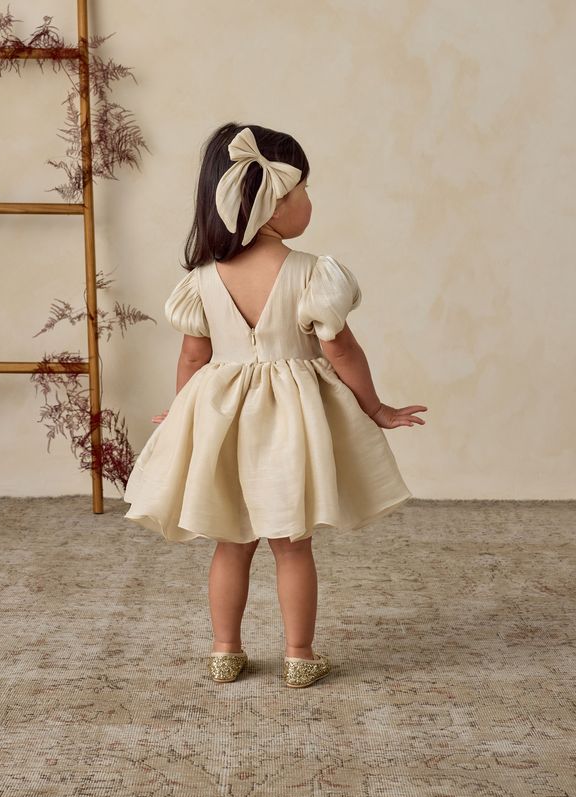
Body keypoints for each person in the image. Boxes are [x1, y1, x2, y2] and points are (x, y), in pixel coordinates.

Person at [123, 122, 427, 688]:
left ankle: (224, 650)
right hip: (292, 423)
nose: (309, 200)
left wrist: (182, 411)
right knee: (293, 547)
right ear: (273, 201)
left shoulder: (203, 279)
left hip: (224, 422)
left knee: (231, 542)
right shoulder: (314, 273)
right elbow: (341, 349)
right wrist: (376, 407)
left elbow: (193, 359)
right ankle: (298, 654)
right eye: (302, 189)